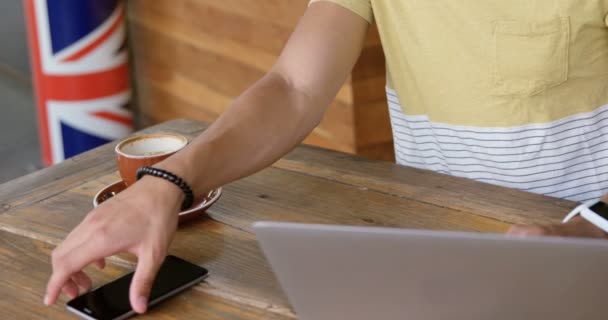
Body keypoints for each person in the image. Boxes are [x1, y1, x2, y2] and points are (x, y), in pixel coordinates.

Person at [44, 0, 608, 314]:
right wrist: (164, 183)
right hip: (441, 260)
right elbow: (293, 87)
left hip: (583, 262)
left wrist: (593, 229)